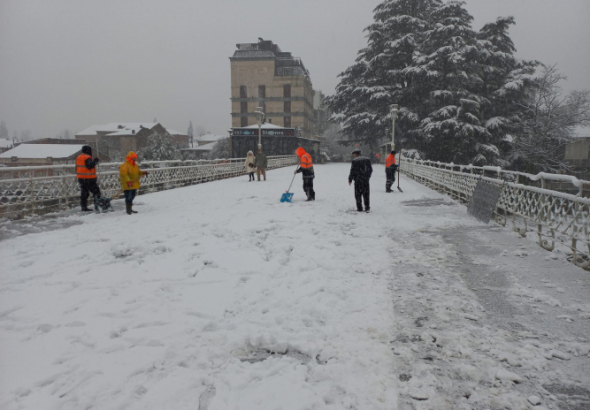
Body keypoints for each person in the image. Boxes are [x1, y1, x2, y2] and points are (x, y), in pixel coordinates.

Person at [76, 145, 101, 212]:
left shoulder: (79, 157)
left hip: (81, 178)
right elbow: (90, 166)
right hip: (89, 178)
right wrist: (96, 160)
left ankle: (84, 207)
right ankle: (97, 206)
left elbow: (77, 168)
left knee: (84, 193)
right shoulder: (87, 157)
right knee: (96, 192)